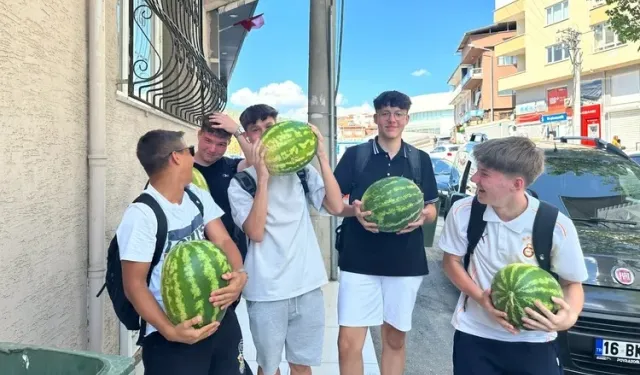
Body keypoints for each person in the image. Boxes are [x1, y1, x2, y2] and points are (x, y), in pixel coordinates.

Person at [438, 137, 588, 375]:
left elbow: (572, 284)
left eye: (484, 174)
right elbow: (451, 262)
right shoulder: (463, 212)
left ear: (516, 184)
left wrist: (568, 318)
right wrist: (481, 299)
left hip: (536, 343)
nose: (475, 179)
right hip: (475, 337)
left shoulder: (555, 225)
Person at [117, 129, 251, 375]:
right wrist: (171, 331)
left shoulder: (196, 195)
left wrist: (240, 274)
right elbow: (134, 285)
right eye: (189, 151)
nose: (194, 157)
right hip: (172, 336)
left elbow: (223, 240)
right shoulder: (142, 215)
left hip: (219, 319)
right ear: (176, 157)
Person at [227, 104, 345, 375]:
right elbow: (255, 232)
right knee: (268, 368)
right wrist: (264, 179)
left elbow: (337, 207)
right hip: (267, 291)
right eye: (255, 131)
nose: (263, 134)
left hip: (307, 285)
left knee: (301, 365)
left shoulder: (302, 172)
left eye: (269, 127)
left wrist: (322, 158)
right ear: (248, 138)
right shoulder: (241, 183)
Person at [333, 90, 439, 375]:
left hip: (405, 263)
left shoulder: (419, 159)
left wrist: (421, 218)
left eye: (398, 114)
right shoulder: (356, 156)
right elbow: (333, 202)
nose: (392, 119)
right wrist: (353, 211)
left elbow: (431, 210)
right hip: (358, 261)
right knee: (348, 342)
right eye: (385, 113)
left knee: (394, 338)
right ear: (376, 118)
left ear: (406, 119)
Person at [194, 113, 253, 264]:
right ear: (199, 134)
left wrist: (236, 131)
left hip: (230, 253)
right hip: (192, 254)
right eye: (208, 140)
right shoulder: (179, 167)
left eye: (221, 144)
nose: (213, 149)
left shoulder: (231, 166)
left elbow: (255, 162)